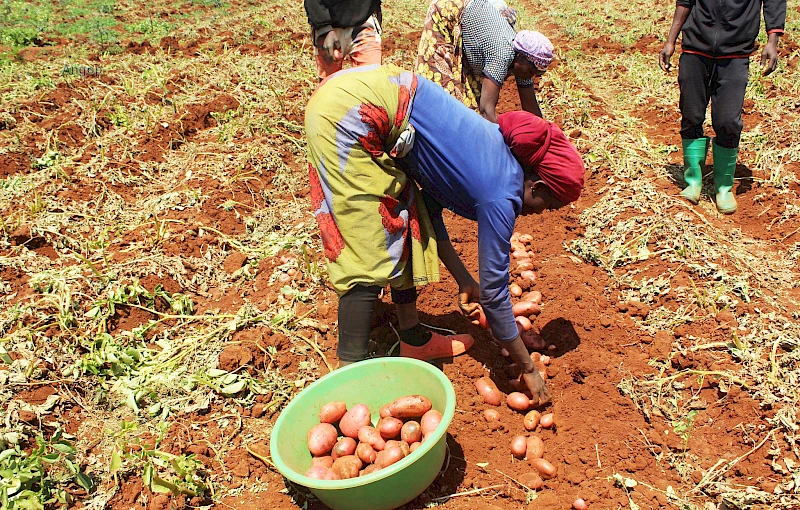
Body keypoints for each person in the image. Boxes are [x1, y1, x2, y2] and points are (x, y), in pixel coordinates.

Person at [305, 64, 585, 406]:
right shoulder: (502, 191)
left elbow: (429, 208)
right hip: (351, 111)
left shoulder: (494, 155)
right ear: (537, 185)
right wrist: (527, 368)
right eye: (549, 205)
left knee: (406, 217)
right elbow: (496, 295)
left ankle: (413, 337)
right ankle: (350, 378)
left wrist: (464, 280)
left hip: (364, 92)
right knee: (369, 245)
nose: (542, 214)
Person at [658, 0, 785, 214]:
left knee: (727, 121)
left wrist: (772, 42)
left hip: (735, 54)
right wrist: (670, 41)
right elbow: (685, 2)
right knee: (691, 114)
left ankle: (724, 187)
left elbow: (774, 2)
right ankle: (693, 180)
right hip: (695, 50)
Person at [416, 0, 554, 123]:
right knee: (440, 84)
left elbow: (531, 110)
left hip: (474, 25)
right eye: (530, 72)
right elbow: (486, 109)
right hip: (446, 12)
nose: (531, 77)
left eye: (535, 74)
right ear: (521, 57)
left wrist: (546, 133)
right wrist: (497, 143)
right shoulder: (502, 55)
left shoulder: (522, 64)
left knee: (471, 106)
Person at [304, 0, 383, 81]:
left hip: (364, 24)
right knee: (329, 85)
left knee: (372, 81)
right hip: (329, 29)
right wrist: (324, 29)